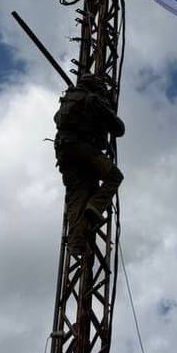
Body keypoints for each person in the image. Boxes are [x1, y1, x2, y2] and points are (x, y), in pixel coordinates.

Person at [54, 74, 125, 251]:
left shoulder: (69, 98)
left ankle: (76, 243)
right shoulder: (92, 99)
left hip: (63, 151)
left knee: (78, 196)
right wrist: (106, 105)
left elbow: (56, 120)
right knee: (114, 177)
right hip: (82, 149)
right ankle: (94, 207)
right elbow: (119, 129)